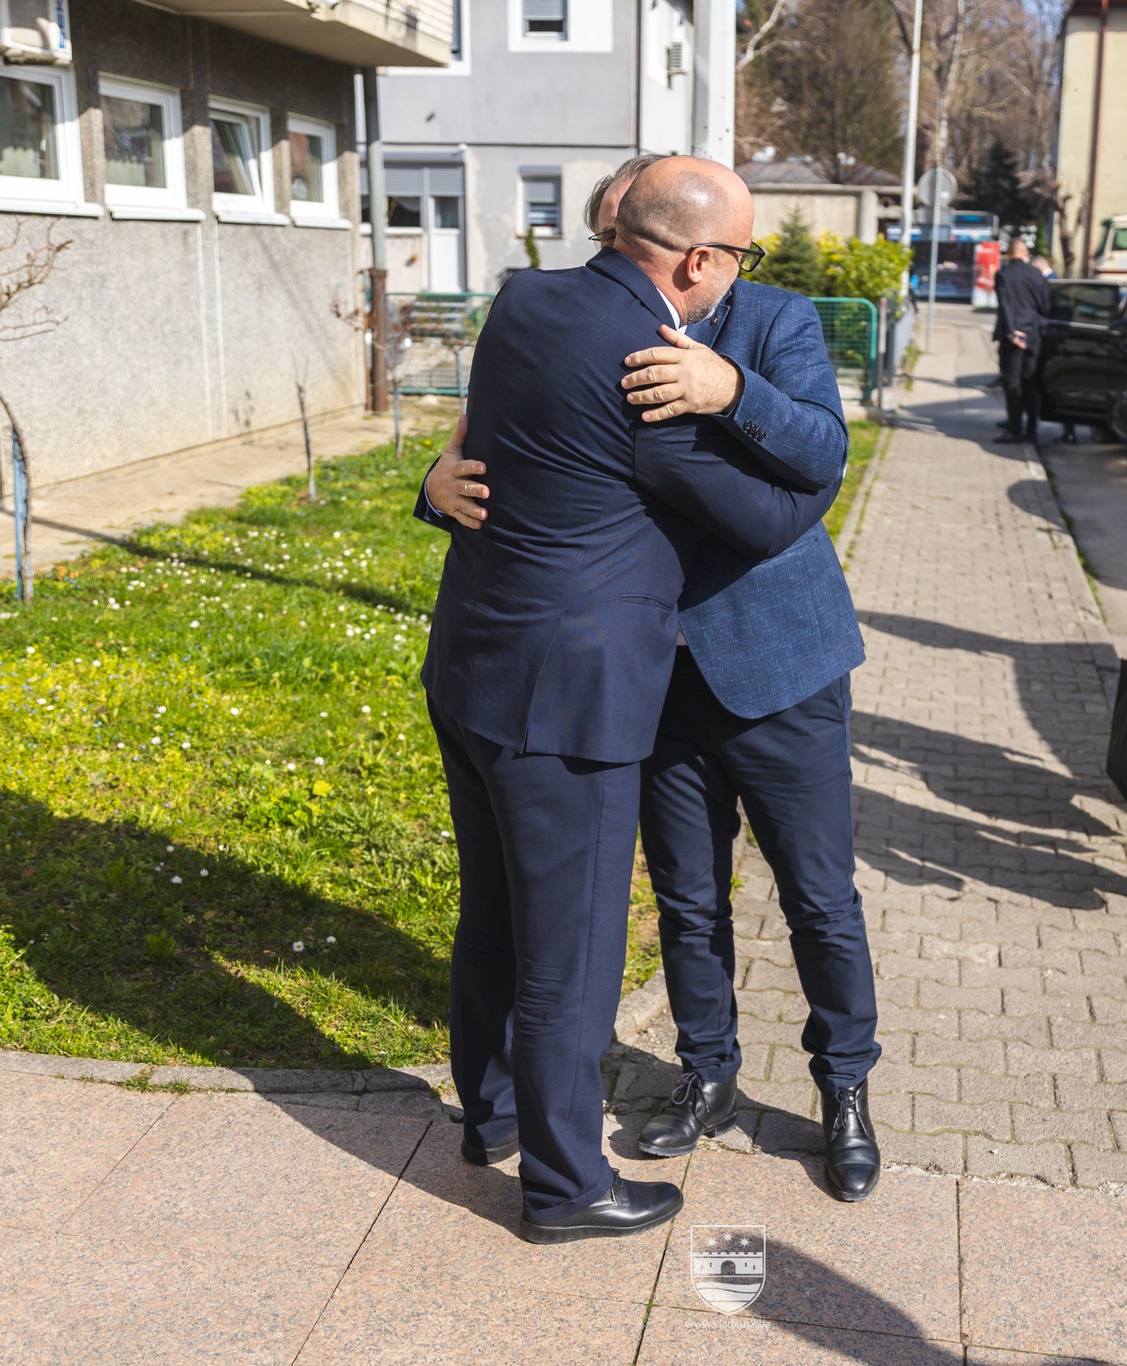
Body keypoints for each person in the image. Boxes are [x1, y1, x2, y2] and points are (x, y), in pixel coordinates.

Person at [421, 156, 885, 1207]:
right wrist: (433, 486)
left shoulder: (772, 319)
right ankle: (706, 1070)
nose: (609, 261)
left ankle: (844, 1087)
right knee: (685, 896)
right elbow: (512, 444)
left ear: (698, 257)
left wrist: (733, 392)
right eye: (604, 234)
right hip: (646, 676)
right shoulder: (594, 327)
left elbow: (824, 447)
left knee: (818, 897)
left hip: (772, 662)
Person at [992, 238, 1052, 445]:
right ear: (1025, 252)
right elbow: (1045, 306)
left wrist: (1011, 332)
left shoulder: (1004, 275)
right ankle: (1032, 429)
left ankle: (1014, 429)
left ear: (1009, 254)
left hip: (1013, 338)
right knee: (1030, 382)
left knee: (1012, 383)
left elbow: (1005, 305)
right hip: (1033, 335)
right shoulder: (1036, 274)